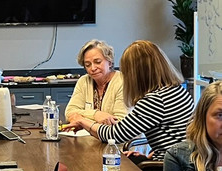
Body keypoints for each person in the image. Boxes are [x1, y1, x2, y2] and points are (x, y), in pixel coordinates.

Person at [63, 40, 194, 162]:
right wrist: (147, 157)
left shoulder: (155, 100)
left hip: (172, 169)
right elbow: (173, 137)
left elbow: (114, 134)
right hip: (180, 164)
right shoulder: (177, 91)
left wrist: (82, 120)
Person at [65, 39, 129, 125]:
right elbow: (69, 113)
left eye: (98, 62)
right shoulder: (83, 81)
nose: (93, 68)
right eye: (87, 64)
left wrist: (82, 119)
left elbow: (119, 121)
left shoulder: (122, 81)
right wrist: (96, 115)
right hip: (87, 137)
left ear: (109, 62)